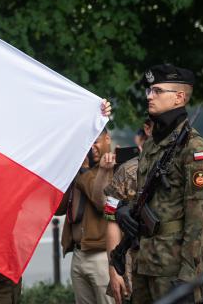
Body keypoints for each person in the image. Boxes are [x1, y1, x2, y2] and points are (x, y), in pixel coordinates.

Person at [117, 64, 203, 303]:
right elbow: (145, 196)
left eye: (157, 91)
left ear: (179, 97)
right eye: (149, 90)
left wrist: (187, 277)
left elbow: (200, 219)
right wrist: (124, 208)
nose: (149, 96)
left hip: (173, 267)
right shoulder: (151, 145)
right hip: (144, 261)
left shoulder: (194, 149)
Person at [56, 128, 115, 304]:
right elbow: (58, 209)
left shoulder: (112, 168)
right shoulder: (80, 169)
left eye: (95, 141)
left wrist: (84, 172)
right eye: (88, 143)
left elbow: (101, 203)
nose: (92, 147)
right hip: (78, 253)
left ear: (107, 139)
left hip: (102, 255)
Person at [103, 120, 153, 304]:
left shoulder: (184, 165)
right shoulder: (126, 171)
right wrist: (114, 270)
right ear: (147, 129)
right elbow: (110, 219)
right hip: (132, 269)